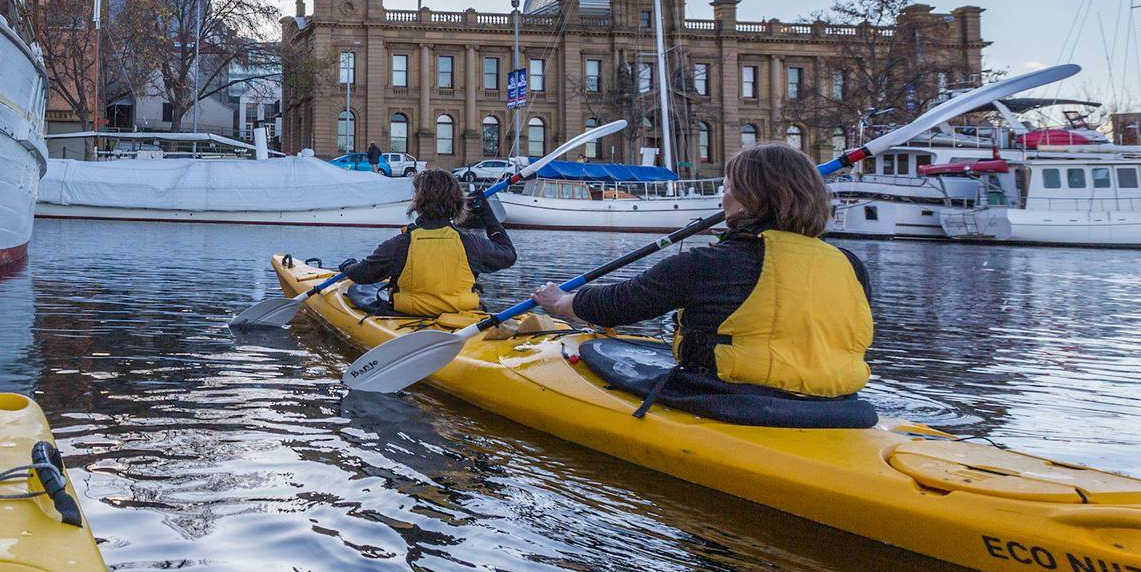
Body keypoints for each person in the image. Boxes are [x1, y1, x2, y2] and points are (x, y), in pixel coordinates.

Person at [530, 143, 872, 397]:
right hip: (841, 403)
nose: (722, 197)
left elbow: (620, 304)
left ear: (746, 197)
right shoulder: (850, 264)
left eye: (727, 187)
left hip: (735, 400)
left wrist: (560, 302)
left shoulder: (711, 264)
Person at [340, 167, 516, 318]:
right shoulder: (471, 244)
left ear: (418, 203)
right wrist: (486, 213)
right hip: (462, 319)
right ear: (457, 204)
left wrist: (348, 267)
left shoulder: (400, 245)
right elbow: (508, 254)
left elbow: (361, 275)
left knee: (357, 291)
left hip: (406, 318)